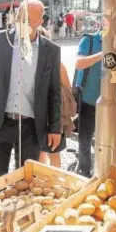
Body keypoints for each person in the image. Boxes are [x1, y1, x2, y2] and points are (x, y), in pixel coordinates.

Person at [0, 0, 61, 180]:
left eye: (28, 19)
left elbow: (54, 92)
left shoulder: (51, 50)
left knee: (27, 180)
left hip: (31, 126)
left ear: (40, 22)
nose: (21, 22)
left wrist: (55, 127)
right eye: (19, 16)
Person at [74, 31, 116, 177]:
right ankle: (85, 171)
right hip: (88, 98)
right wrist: (102, 54)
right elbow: (79, 64)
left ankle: (106, 170)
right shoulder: (89, 40)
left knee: (107, 138)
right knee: (84, 137)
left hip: (108, 100)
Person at [38, 27, 76, 168]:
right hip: (35, 116)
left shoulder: (58, 66)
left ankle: (53, 181)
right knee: (41, 153)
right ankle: (41, 180)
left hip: (53, 116)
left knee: (52, 152)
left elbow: (67, 92)